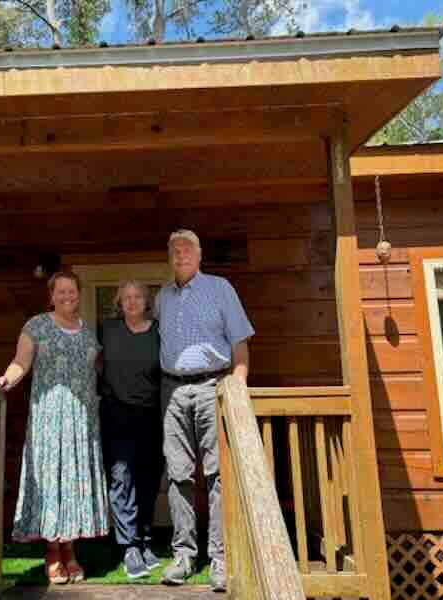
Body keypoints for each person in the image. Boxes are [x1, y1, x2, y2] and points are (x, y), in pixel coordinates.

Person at [0, 271, 109, 585]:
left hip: (82, 420)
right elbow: (21, 362)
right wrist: (7, 379)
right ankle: (53, 551)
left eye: (72, 291)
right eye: (61, 292)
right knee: (52, 478)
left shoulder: (88, 332)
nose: (67, 296)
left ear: (79, 294)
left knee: (74, 482)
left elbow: (99, 368)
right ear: (51, 295)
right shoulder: (36, 326)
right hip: (49, 417)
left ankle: (70, 550)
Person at [156, 229, 254, 592]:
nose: (180, 255)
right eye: (174, 250)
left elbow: (240, 343)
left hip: (213, 386)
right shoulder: (163, 297)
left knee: (217, 475)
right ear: (170, 258)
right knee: (178, 474)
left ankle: (220, 558)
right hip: (172, 390)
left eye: (187, 250)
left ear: (199, 256)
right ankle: (183, 556)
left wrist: (237, 385)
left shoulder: (220, 288)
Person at [99, 280, 164, 579]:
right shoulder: (107, 330)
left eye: (138, 297)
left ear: (146, 300)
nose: (132, 302)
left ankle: (145, 539)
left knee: (149, 478)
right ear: (119, 302)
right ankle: (128, 547)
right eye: (126, 297)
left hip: (152, 414)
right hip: (116, 414)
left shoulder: (159, 331)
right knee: (122, 478)